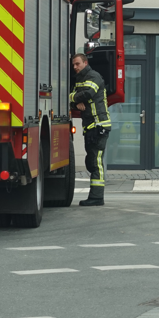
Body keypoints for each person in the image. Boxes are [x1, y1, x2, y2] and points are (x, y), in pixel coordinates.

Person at [69, 53, 111, 207]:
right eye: (73, 65)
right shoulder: (79, 79)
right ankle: (95, 196)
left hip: (99, 125)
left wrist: (74, 98)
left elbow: (88, 93)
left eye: (77, 64)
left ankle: (97, 197)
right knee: (91, 161)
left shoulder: (94, 76)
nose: (75, 67)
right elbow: (75, 96)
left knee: (96, 161)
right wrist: (75, 102)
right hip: (90, 127)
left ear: (85, 63)